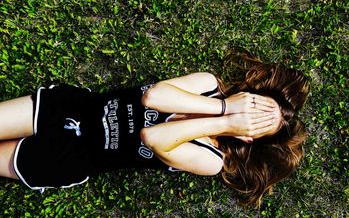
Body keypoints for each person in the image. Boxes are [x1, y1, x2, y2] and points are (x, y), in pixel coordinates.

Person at [0, 49, 310, 207]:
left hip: (71, 156)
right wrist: (225, 107)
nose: (247, 109)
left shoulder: (211, 160)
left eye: (253, 119)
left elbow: (154, 137)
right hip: (71, 108)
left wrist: (226, 122)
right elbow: (154, 96)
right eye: (254, 103)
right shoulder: (208, 85)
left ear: (249, 137)